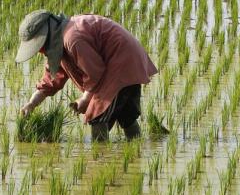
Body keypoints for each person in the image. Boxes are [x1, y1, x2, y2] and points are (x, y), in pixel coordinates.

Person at [17, 10, 158, 142]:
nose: (41, 51)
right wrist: (31, 104)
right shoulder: (57, 45)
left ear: (46, 37)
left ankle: (98, 158)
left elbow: (95, 73)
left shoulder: (73, 38)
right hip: (127, 62)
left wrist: (85, 99)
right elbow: (50, 80)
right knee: (126, 117)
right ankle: (136, 153)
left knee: (96, 116)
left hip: (120, 64)